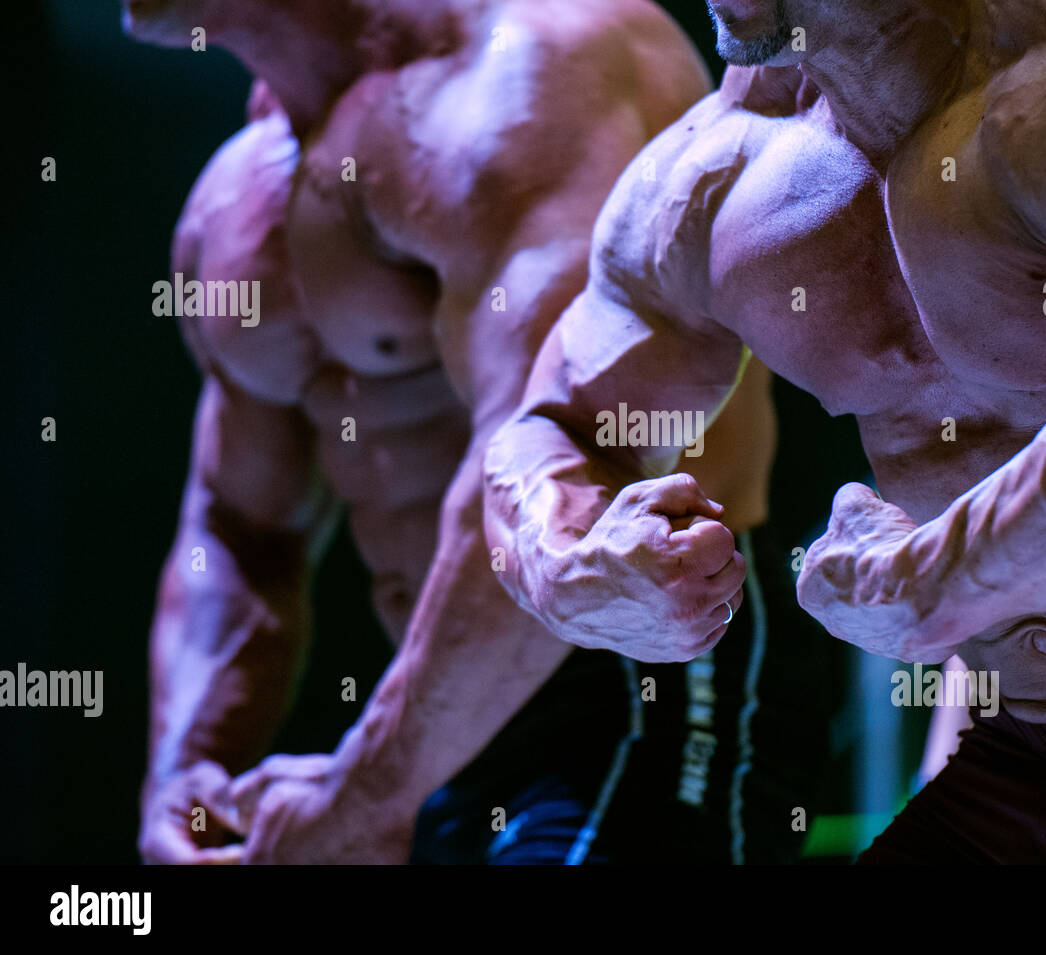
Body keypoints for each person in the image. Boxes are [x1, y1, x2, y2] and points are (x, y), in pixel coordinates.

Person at [484, 0, 1046, 862]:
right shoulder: (729, 161)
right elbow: (556, 428)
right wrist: (569, 563)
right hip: (1015, 768)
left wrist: (932, 580)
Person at [128, 0, 831, 864]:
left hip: (634, 665)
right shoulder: (234, 203)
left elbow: (547, 466)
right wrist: (187, 775)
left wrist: (363, 795)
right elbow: (241, 529)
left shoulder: (540, 72)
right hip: (422, 722)